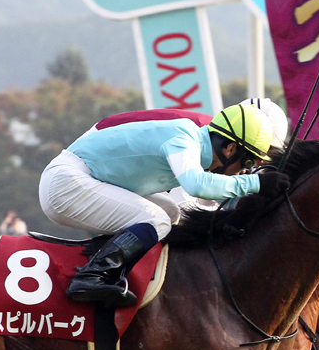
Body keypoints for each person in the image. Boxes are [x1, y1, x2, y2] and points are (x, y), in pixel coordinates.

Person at [39, 104, 290, 307]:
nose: (244, 171)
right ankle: (91, 276)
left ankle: (118, 270)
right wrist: (255, 183)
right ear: (230, 148)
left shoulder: (196, 139)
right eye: (246, 161)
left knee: (171, 213)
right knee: (155, 219)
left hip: (82, 179)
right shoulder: (184, 137)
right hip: (66, 184)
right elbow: (196, 185)